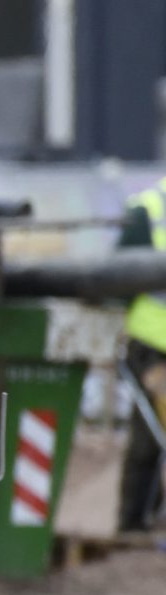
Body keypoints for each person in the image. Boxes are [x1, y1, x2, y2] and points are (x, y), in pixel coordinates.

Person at [117, 179, 166, 529]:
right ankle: (133, 523)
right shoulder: (149, 208)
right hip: (154, 346)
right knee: (149, 440)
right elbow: (118, 277)